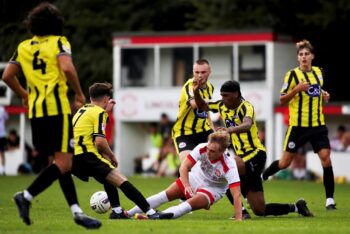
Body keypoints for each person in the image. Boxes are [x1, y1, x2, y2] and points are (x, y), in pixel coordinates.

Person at [1, 2, 101, 228]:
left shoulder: (24, 46)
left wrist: (24, 94)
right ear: (57, 24)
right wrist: (78, 93)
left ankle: (77, 212)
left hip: (36, 113)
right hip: (57, 110)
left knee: (58, 162)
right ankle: (26, 196)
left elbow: (7, 75)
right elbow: (66, 68)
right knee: (65, 162)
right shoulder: (59, 42)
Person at [193, 79, 313, 218]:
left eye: (226, 95)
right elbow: (201, 105)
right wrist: (196, 91)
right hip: (242, 159)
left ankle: (242, 212)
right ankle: (297, 207)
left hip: (255, 154)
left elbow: (247, 125)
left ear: (236, 94)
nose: (223, 98)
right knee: (260, 210)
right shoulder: (221, 105)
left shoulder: (246, 106)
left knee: (223, 169)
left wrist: (229, 130)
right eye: (222, 95)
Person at [71, 82, 173, 220]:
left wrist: (106, 111)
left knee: (108, 178)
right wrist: (112, 156)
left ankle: (117, 212)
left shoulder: (82, 111)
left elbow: (90, 123)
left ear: (91, 97)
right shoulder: (100, 113)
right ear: (106, 99)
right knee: (121, 179)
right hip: (88, 156)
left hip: (75, 158)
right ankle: (151, 213)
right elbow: (100, 142)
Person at [262, 39, 336, 210]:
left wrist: (325, 95)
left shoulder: (319, 72)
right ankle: (264, 175)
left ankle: (330, 201)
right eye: (301, 54)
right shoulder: (292, 75)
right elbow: (281, 99)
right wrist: (296, 90)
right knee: (284, 163)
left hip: (318, 125)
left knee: (326, 159)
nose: (304, 57)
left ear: (312, 56)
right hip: (298, 127)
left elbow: (317, 91)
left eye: (306, 54)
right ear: (298, 58)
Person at [127, 130, 243, 220]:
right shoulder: (202, 148)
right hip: (196, 177)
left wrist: (238, 219)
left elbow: (236, 194)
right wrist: (187, 186)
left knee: (187, 206)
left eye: (212, 151)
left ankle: (155, 217)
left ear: (222, 151)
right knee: (163, 195)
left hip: (213, 189)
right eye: (208, 148)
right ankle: (127, 213)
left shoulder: (229, 166)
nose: (208, 152)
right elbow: (184, 167)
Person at [172, 59, 214, 163]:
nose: (199, 75)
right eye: (197, 72)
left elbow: (206, 110)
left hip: (204, 131)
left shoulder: (210, 87)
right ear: (193, 72)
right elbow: (196, 105)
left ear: (210, 72)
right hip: (184, 133)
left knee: (218, 162)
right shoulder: (189, 86)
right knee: (188, 166)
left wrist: (212, 129)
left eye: (203, 72)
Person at [0, 106, 8, 175]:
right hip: (2, 134)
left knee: (2, 153)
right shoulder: (2, 109)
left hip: (1, 134)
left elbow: (6, 118)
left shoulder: (2, 109)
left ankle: (3, 169)